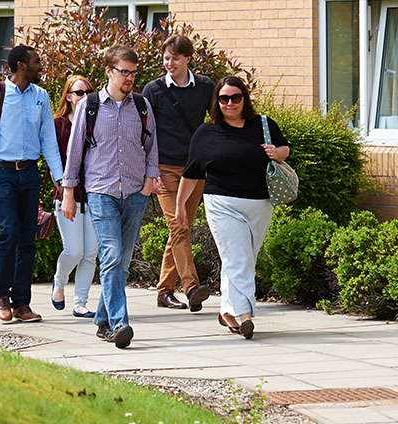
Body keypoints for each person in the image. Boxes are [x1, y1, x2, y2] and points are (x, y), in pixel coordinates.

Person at [173, 76, 290, 340]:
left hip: (260, 204)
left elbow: (284, 149)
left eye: (235, 97)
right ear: (217, 101)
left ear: (244, 99)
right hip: (222, 204)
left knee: (242, 259)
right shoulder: (206, 132)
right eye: (224, 98)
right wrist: (180, 206)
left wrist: (276, 153)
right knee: (239, 260)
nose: (229, 103)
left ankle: (227, 311)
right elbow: (191, 173)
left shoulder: (262, 124)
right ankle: (245, 316)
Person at [61, 45, 160, 349]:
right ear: (108, 71)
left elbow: (152, 147)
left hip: (135, 193)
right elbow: (75, 151)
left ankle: (103, 321)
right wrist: (68, 192)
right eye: (124, 71)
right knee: (112, 256)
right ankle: (120, 324)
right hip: (101, 192)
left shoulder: (142, 106)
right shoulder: (90, 107)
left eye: (133, 72)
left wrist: (147, 184)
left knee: (123, 261)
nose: (130, 77)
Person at [0, 45, 65, 324]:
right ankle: (2, 296)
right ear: (22, 65)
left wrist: (59, 179)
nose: (41, 66)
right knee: (8, 232)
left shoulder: (41, 96)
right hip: (2, 174)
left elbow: (48, 141)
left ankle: (22, 303)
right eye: (36, 62)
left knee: (27, 238)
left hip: (30, 173)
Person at [141, 35, 215, 312]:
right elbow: (144, 133)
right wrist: (150, 171)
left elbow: (215, 123)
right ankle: (192, 287)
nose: (169, 62)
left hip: (194, 170)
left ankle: (163, 292)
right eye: (166, 57)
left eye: (174, 57)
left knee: (180, 231)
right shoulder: (153, 90)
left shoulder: (205, 86)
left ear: (187, 58)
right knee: (179, 227)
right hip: (165, 170)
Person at [49, 74, 97, 318]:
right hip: (68, 197)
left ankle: (81, 303)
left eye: (88, 92)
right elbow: (53, 161)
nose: (84, 97)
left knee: (90, 253)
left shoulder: (96, 121)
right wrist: (62, 191)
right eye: (79, 92)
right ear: (68, 96)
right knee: (74, 250)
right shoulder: (58, 124)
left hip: (95, 197)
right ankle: (59, 282)